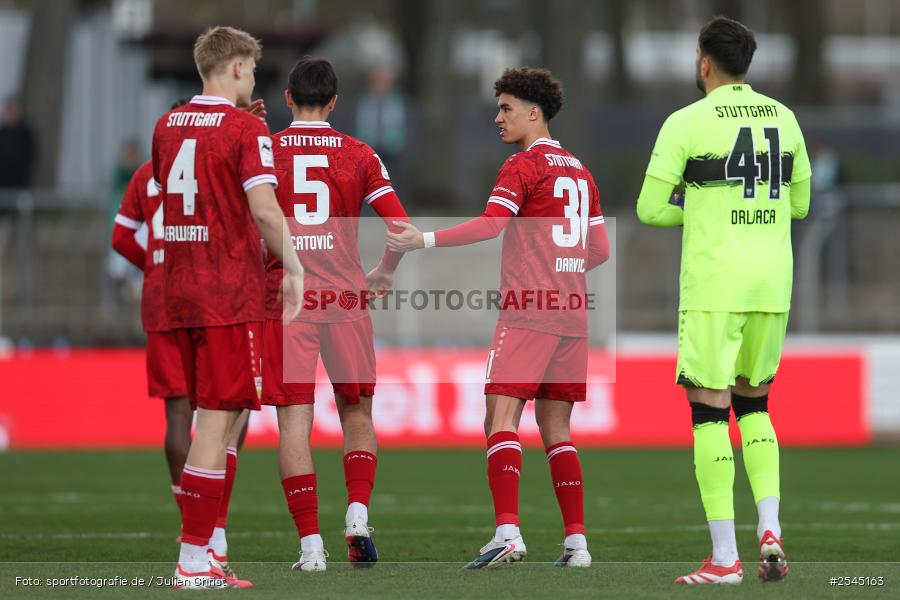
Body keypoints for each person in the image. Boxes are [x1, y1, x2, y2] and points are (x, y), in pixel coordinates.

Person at [387, 67, 610, 569]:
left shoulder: (523, 166)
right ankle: (577, 543)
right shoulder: (580, 170)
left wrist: (422, 239)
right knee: (557, 429)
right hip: (572, 313)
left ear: (535, 112)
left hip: (530, 309)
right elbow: (599, 249)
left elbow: (491, 226)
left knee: (500, 419)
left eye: (506, 108)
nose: (498, 117)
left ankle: (507, 533)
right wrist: (562, 262)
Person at [636, 16, 811, 585]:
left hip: (717, 283)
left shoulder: (686, 121)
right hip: (772, 282)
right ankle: (770, 528)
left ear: (704, 61)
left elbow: (650, 208)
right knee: (756, 406)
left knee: (708, 410)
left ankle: (724, 559)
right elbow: (801, 205)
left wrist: (702, 205)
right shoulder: (784, 118)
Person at [151, 26, 304, 589]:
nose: (254, 82)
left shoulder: (167, 125)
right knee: (218, 420)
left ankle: (206, 549)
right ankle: (194, 560)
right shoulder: (244, 128)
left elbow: (177, 192)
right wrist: (294, 264)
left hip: (179, 288)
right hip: (227, 292)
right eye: (254, 72)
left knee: (217, 415)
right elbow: (264, 210)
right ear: (238, 68)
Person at [263, 57, 410, 572]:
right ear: (334, 101)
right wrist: (386, 271)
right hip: (346, 297)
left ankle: (310, 549)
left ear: (287, 98)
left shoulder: (266, 150)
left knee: (294, 425)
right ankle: (356, 515)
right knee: (357, 415)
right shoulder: (358, 153)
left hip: (288, 299)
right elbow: (401, 225)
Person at [111, 100, 254, 542]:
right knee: (224, 409)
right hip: (210, 293)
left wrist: (153, 267)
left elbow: (120, 237)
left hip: (163, 299)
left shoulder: (147, 173)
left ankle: (186, 516)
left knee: (179, 414)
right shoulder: (213, 169)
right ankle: (207, 521)